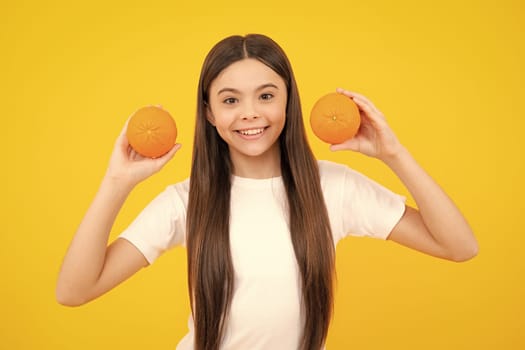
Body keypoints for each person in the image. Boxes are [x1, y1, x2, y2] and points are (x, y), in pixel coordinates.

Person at [56, 34, 478, 350]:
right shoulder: (186, 202)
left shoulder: (334, 188)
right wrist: (117, 184)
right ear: (209, 113)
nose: (250, 113)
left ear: (289, 101)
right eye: (230, 100)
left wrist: (394, 154)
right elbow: (73, 291)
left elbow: (459, 246)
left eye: (266, 95)